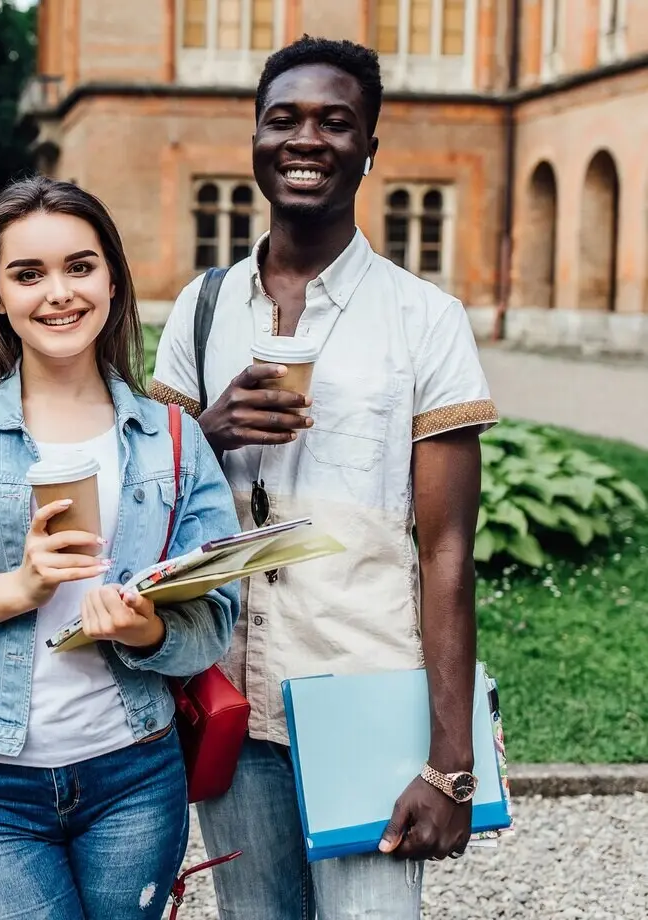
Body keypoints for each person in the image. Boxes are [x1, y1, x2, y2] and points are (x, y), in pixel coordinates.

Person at [149, 37, 498, 919]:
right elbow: (146, 494)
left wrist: (448, 761)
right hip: (227, 687)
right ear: (255, 141)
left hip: (365, 694)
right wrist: (206, 432)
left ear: (369, 148)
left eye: (335, 122)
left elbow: (448, 550)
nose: (307, 138)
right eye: (284, 119)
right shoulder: (200, 308)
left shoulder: (425, 320)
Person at [0, 176, 242, 920]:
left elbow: (215, 616)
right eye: (27, 274)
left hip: (134, 773)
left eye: (79, 266)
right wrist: (14, 589)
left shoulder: (174, 439)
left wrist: (147, 630)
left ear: (111, 280)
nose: (58, 293)